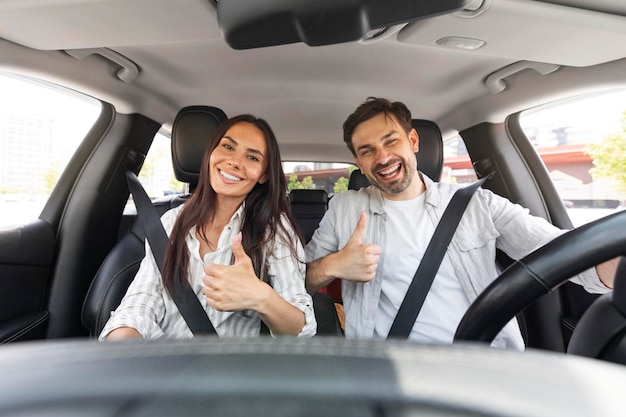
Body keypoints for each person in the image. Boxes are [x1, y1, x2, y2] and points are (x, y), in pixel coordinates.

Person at [305, 97, 617, 350]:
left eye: (391, 142)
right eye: (367, 151)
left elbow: (559, 251)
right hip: (392, 367)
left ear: (412, 140)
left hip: (481, 363)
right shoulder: (344, 208)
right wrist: (335, 265)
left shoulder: (476, 203)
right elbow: (298, 281)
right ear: (358, 162)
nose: (382, 157)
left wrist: (614, 252)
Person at [101, 115, 316, 340]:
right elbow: (142, 299)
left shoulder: (273, 231)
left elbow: (301, 328)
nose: (234, 161)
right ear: (211, 153)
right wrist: (124, 339)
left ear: (263, 175)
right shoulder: (170, 222)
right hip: (161, 363)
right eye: (227, 147)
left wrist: (261, 297)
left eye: (252, 157)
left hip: (225, 366)